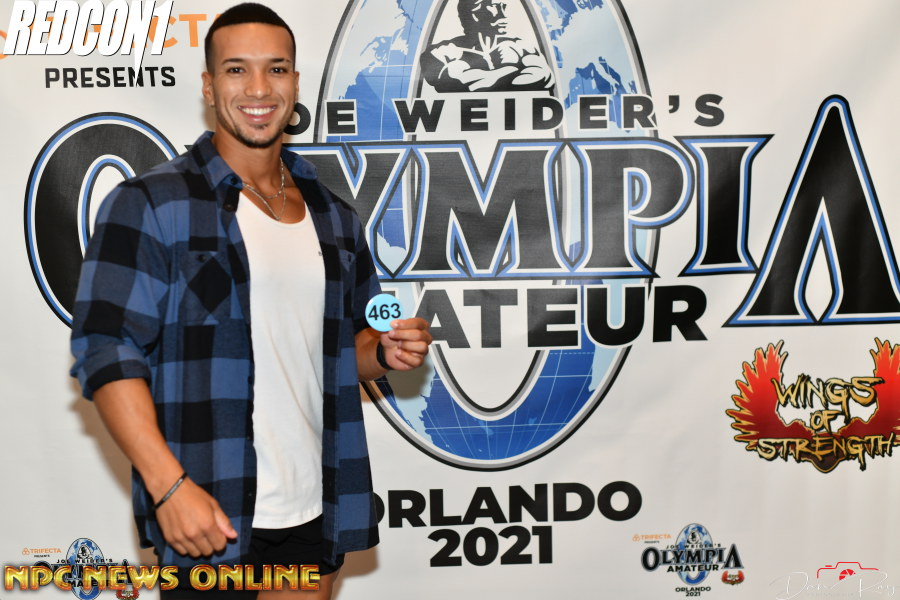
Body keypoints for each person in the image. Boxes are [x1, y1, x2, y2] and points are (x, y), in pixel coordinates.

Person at [69, 3, 432, 598]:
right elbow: (107, 351)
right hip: (210, 503)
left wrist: (387, 350)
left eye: (276, 69)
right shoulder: (152, 203)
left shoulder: (334, 215)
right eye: (237, 69)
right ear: (209, 86)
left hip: (315, 504)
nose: (259, 88)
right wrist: (168, 487)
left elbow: (346, 351)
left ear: (295, 83)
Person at [420, 0, 554, 92]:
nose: (504, 15)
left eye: (503, 7)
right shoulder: (440, 52)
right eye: (495, 7)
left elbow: (545, 77)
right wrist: (511, 69)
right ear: (474, 13)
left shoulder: (520, 46)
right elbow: (462, 84)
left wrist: (491, 77)